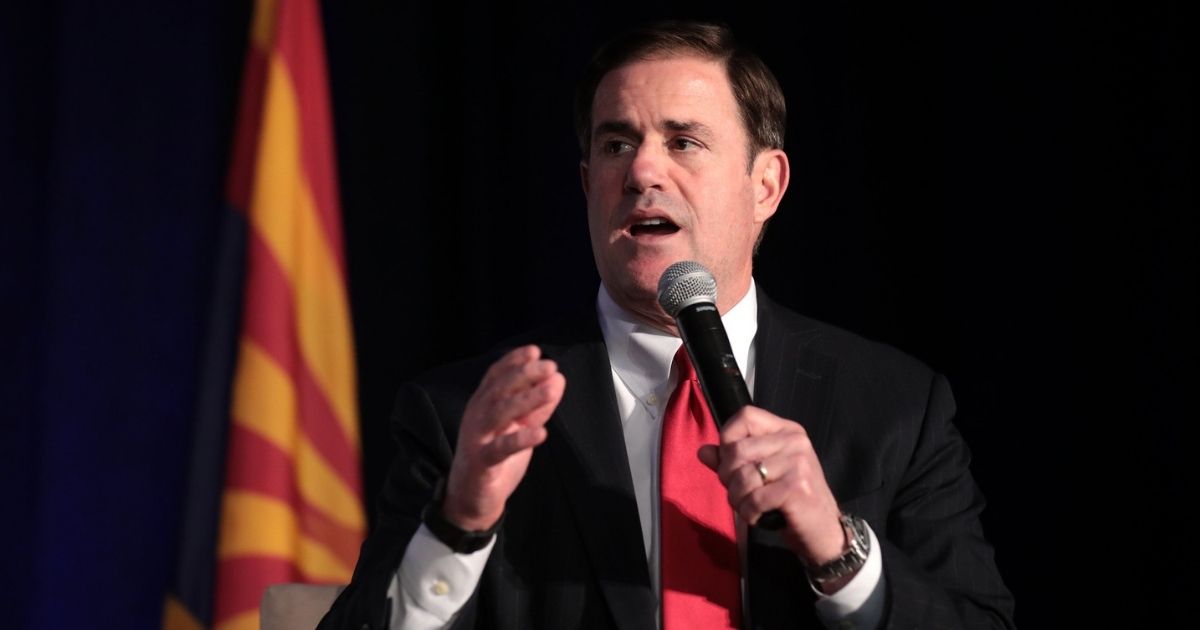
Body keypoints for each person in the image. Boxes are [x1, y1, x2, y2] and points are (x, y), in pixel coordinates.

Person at [320, 20, 1015, 630]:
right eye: (617, 145)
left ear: (765, 185)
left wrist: (841, 551)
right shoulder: (463, 418)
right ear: (587, 181)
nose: (643, 168)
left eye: (683, 142)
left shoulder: (895, 405)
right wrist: (460, 521)